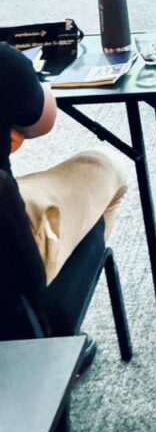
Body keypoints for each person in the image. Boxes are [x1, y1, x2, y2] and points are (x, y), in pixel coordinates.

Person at [0, 41, 128, 355]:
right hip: (11, 261)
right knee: (108, 167)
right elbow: (43, 120)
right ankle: (53, 331)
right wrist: (28, 75)